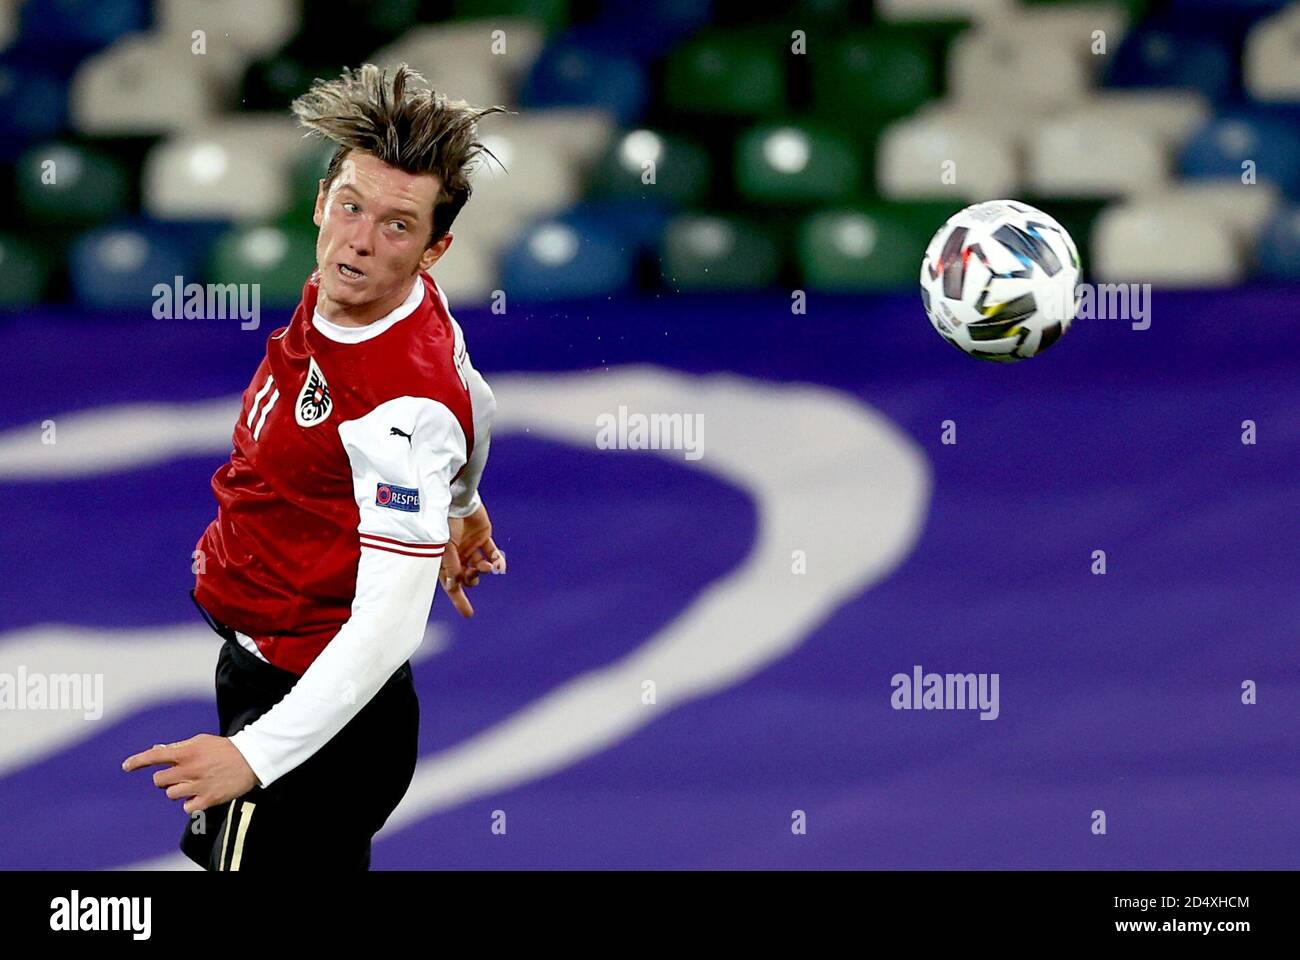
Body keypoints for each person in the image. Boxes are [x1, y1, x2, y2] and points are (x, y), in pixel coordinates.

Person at [122, 64, 507, 870]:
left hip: (319, 717)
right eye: (350, 207)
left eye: (398, 227)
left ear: (435, 249)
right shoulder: (371, 293)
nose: (360, 241)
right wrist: (462, 506)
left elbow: (391, 624)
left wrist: (258, 755)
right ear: (321, 200)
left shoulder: (400, 407)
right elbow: (476, 393)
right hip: (271, 670)